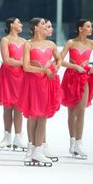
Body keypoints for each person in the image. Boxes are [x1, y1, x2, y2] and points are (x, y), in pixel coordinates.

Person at [60, 18, 93, 159]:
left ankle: (79, 143)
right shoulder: (71, 43)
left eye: (91, 26)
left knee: (80, 110)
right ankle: (72, 141)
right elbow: (60, 60)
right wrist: (75, 66)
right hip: (71, 77)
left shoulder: (92, 43)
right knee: (71, 111)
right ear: (80, 28)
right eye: (88, 26)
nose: (91, 29)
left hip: (84, 78)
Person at [18, 18, 62, 167]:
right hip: (33, 82)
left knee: (42, 116)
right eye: (43, 24)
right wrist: (44, 69)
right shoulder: (28, 44)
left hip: (47, 82)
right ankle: (33, 147)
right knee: (33, 116)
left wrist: (54, 69)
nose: (46, 26)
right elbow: (26, 66)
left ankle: (38, 149)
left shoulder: (51, 44)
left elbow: (59, 59)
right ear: (36, 28)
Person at [0, 17, 27, 151]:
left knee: (19, 107)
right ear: (11, 25)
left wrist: (20, 62)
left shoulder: (25, 42)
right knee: (7, 107)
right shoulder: (5, 40)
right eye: (19, 22)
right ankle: (7, 137)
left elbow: (27, 58)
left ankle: (18, 137)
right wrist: (21, 62)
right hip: (8, 75)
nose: (21, 24)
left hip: (21, 76)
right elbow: (7, 60)